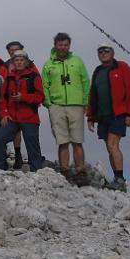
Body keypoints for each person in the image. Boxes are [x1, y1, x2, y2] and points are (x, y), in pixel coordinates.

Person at [87, 43, 130, 192]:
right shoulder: (98, 71)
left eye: (106, 51)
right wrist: (90, 116)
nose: (103, 53)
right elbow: (93, 94)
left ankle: (120, 179)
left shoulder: (122, 67)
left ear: (113, 53)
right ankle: (117, 178)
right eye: (100, 51)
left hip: (118, 114)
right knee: (109, 148)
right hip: (102, 115)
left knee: (112, 145)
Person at [41, 32, 90, 186]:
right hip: (57, 106)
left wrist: (85, 102)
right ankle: (65, 171)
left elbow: (85, 81)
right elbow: (44, 85)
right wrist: (49, 103)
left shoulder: (77, 61)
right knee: (62, 141)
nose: (63, 47)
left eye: (65, 45)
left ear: (69, 46)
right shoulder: (49, 64)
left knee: (77, 140)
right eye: (60, 44)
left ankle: (80, 171)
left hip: (76, 104)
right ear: (55, 46)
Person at [0, 51, 44, 171]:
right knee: (0, 138)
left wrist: (24, 97)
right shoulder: (9, 77)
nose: (19, 62)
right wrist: (4, 113)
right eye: (16, 60)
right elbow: (2, 98)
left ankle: (36, 171)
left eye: (22, 60)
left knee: (32, 146)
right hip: (12, 118)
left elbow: (40, 97)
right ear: (13, 62)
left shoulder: (34, 76)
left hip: (29, 118)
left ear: (26, 62)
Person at [3, 41, 39, 168]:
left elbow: (37, 85)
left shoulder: (30, 67)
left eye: (16, 49)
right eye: (11, 50)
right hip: (12, 108)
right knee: (13, 133)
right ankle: (17, 155)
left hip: (28, 109)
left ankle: (34, 163)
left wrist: (27, 98)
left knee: (30, 137)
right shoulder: (5, 65)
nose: (13, 51)